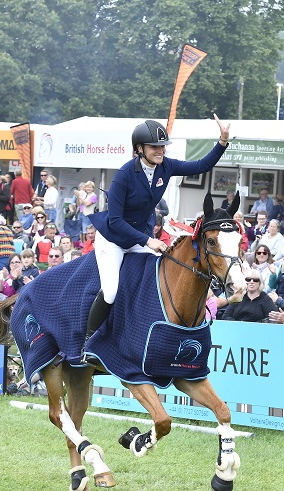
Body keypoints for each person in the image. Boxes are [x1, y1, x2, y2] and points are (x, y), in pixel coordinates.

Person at [85, 115, 231, 350]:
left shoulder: (166, 166)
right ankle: (87, 344)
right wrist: (148, 241)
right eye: (155, 147)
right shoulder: (124, 175)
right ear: (140, 149)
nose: (161, 150)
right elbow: (115, 220)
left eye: (163, 146)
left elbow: (202, 165)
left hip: (141, 236)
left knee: (163, 278)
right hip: (113, 237)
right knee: (111, 291)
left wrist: (222, 142)